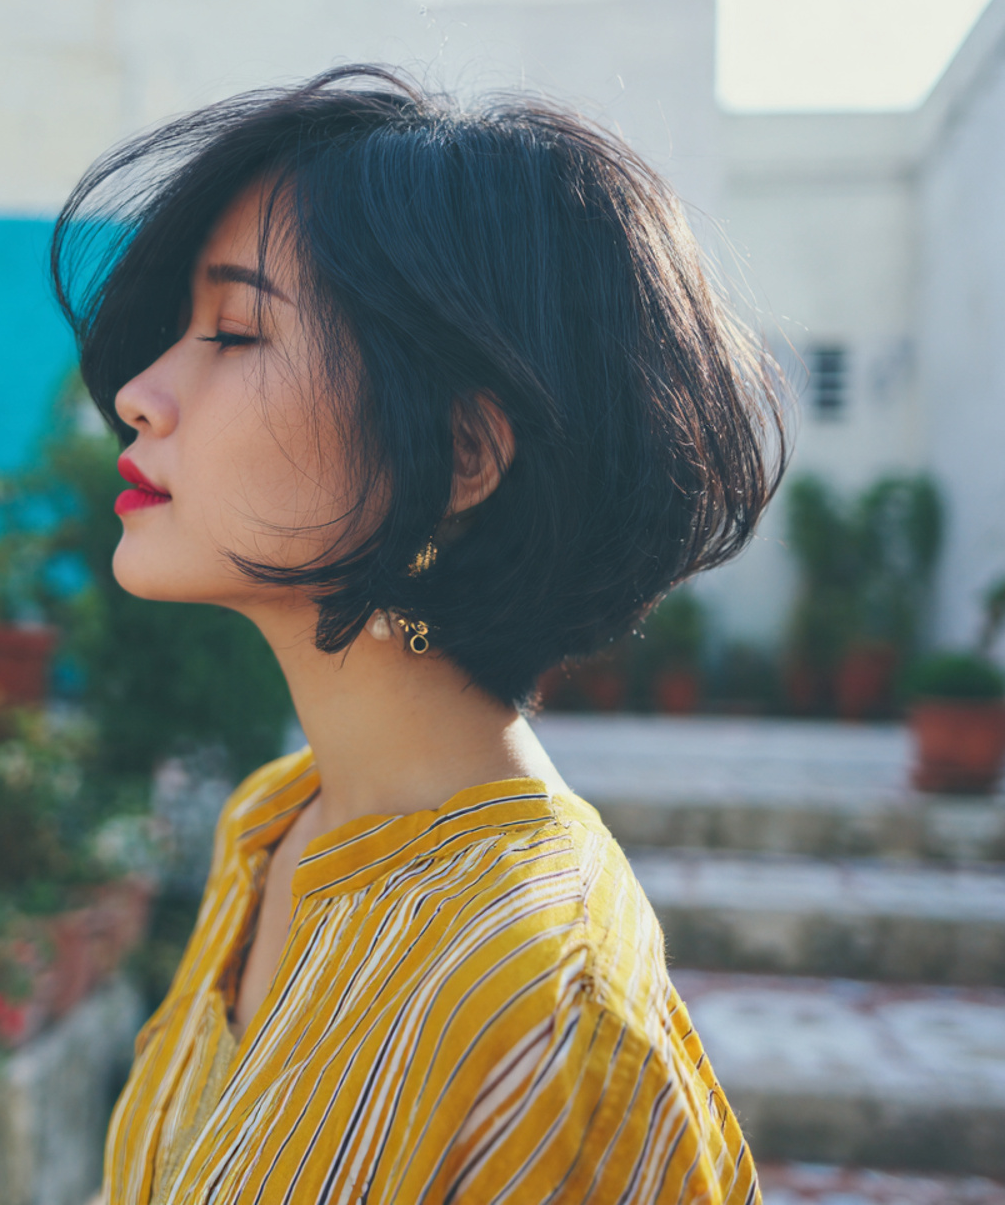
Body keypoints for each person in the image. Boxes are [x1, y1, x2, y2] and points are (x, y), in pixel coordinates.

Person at [52, 65, 785, 1205]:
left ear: (457, 458)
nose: (140, 393)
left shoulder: (544, 1007)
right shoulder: (273, 822)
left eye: (235, 332)